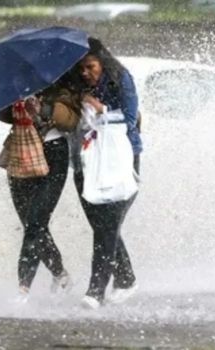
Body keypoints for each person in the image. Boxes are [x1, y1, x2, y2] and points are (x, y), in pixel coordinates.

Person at [0, 73, 82, 302]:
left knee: (36, 221)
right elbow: (1, 115)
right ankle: (60, 273)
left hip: (54, 154)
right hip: (21, 151)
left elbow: (71, 120)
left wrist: (42, 108)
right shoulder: (13, 81)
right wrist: (12, 100)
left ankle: (23, 288)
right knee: (31, 224)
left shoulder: (63, 81)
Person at [72, 38, 142, 309]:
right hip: (86, 160)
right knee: (101, 225)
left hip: (121, 158)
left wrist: (101, 109)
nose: (86, 73)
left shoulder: (121, 79)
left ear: (103, 63)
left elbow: (130, 118)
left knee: (108, 224)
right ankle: (125, 279)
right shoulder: (76, 88)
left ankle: (95, 290)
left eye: (90, 67)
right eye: (81, 69)